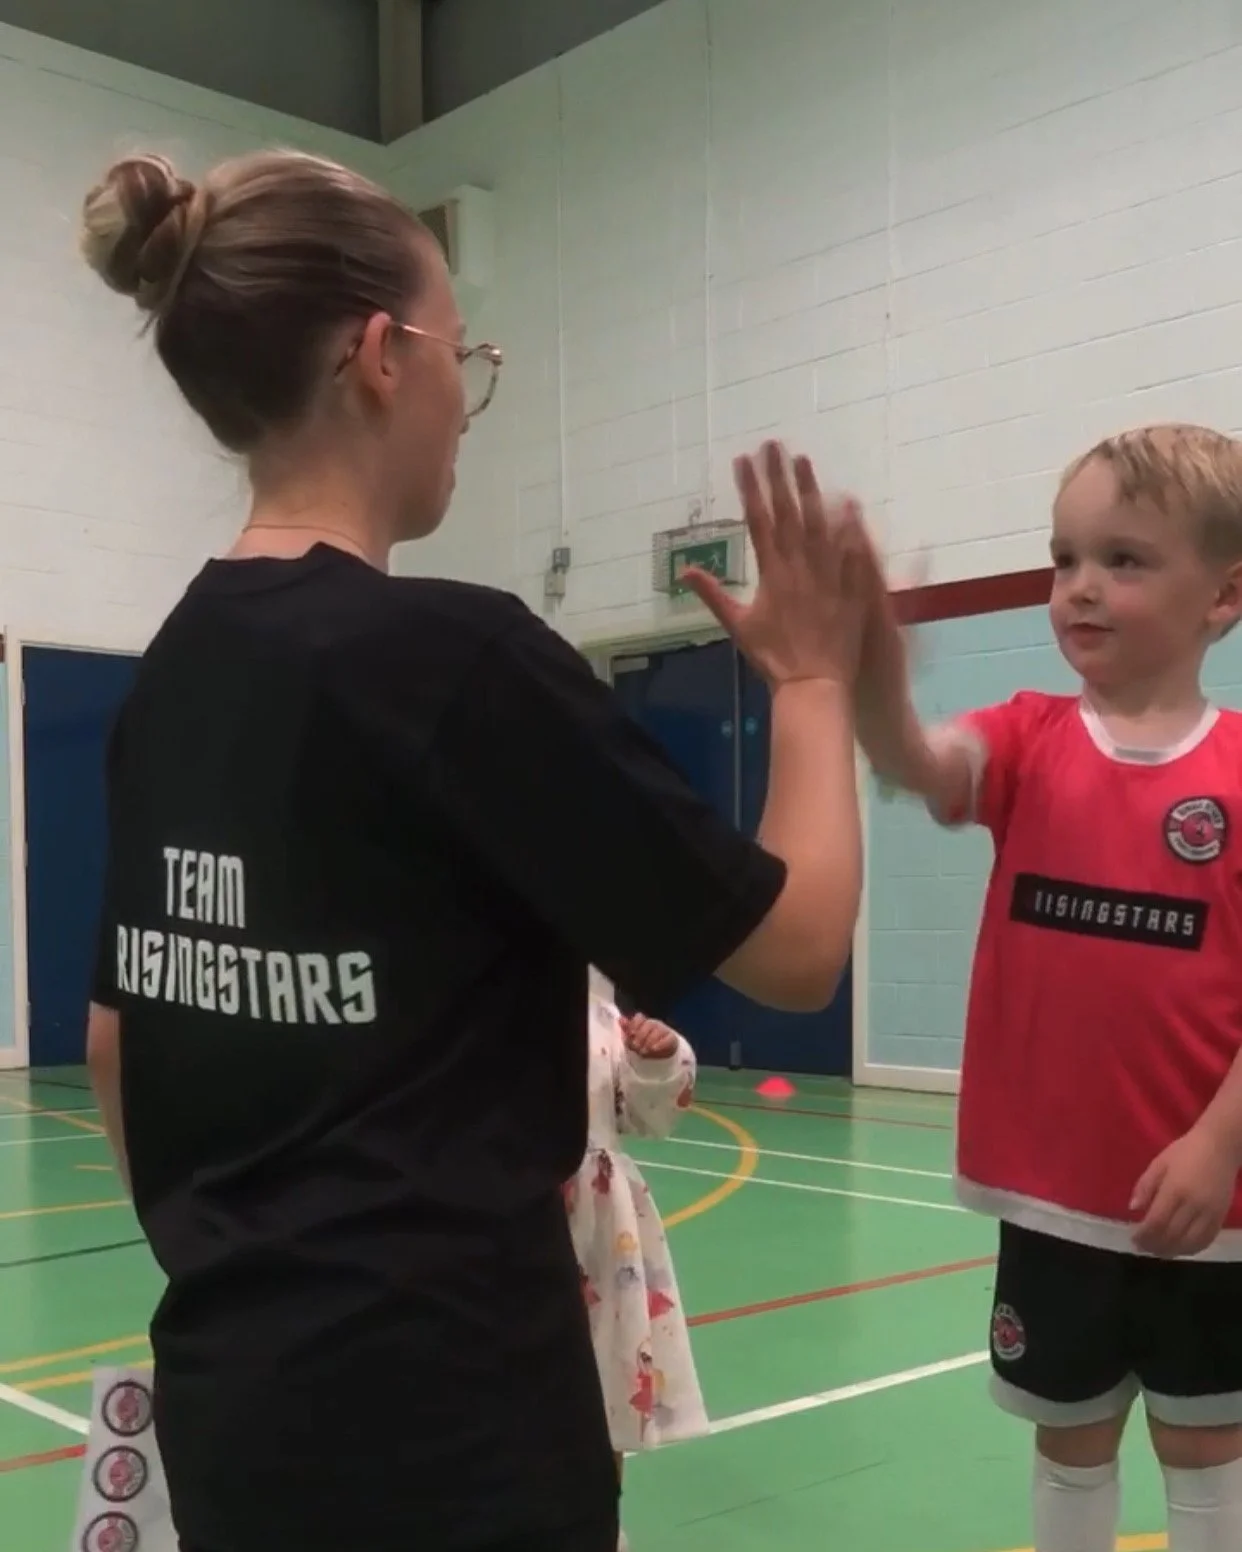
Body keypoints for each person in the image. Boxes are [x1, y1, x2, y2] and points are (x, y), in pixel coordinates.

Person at [78, 145, 880, 1552]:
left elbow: (113, 1039)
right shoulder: (454, 659)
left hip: (232, 1405)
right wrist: (813, 688)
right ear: (383, 356)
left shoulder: (173, 671)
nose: (471, 396)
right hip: (455, 1433)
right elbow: (798, 950)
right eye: (471, 354)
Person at [855, 423, 1242, 1552]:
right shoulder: (1026, 736)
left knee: (1206, 1445)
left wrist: (1220, 1144)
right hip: (1057, 1204)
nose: (1079, 586)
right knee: (1068, 1444)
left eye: (1123, 560)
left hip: (1206, 1210)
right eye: (1064, 557)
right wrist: (870, 675)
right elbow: (915, 765)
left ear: (1224, 594)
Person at [566, 971, 705, 1552]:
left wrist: (661, 1058)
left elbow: (654, 1116)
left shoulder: (602, 1017)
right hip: (501, 1220)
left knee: (606, 1388)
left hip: (601, 1242)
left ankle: (600, 1528)